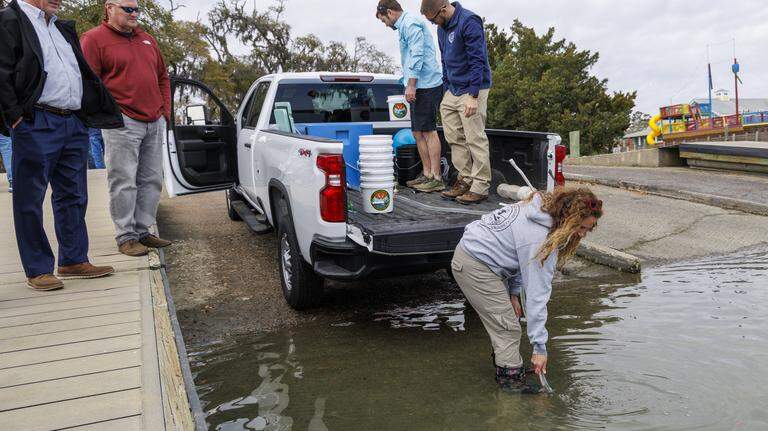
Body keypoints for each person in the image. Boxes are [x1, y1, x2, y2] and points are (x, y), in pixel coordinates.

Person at [0, 0, 123, 291]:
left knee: (74, 194)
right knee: (30, 199)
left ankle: (73, 259)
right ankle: (38, 269)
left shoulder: (59, 27)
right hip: (36, 120)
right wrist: (15, 118)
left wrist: (83, 117)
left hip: (72, 121)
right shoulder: (9, 20)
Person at [451, 188, 603, 390]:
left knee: (508, 319)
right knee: (508, 329)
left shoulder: (542, 207)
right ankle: (511, 386)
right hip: (475, 264)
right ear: (570, 219)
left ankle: (505, 364)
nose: (583, 234)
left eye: (588, 230)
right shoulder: (540, 237)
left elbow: (520, 259)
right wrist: (540, 349)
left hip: (483, 256)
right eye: (582, 227)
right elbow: (536, 296)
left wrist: (513, 293)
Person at [81, 0, 172, 257]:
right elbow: (89, 83)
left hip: (154, 119)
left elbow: (163, 77)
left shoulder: (147, 39)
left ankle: (143, 231)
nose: (134, 14)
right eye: (128, 9)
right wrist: (109, 113)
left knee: (152, 179)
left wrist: (165, 111)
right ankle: (126, 236)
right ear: (110, 9)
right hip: (122, 121)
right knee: (123, 180)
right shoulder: (93, 39)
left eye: (137, 10)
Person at [421, 0, 492, 204]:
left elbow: (478, 60)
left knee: (474, 138)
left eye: (434, 20)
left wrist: (473, 95)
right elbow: (444, 60)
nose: (434, 24)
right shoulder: (442, 28)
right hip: (452, 89)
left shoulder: (469, 21)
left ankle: (480, 185)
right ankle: (465, 179)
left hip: (472, 88)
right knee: (453, 137)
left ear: (443, 9)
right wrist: (446, 90)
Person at [376, 0, 445, 193]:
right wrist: (406, 81)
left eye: (384, 21)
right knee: (417, 132)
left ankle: (437, 177)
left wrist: (412, 85)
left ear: (389, 12)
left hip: (427, 84)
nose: (386, 25)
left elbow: (417, 54)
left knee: (429, 130)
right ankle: (427, 174)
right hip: (416, 84)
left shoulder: (411, 23)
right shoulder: (403, 27)